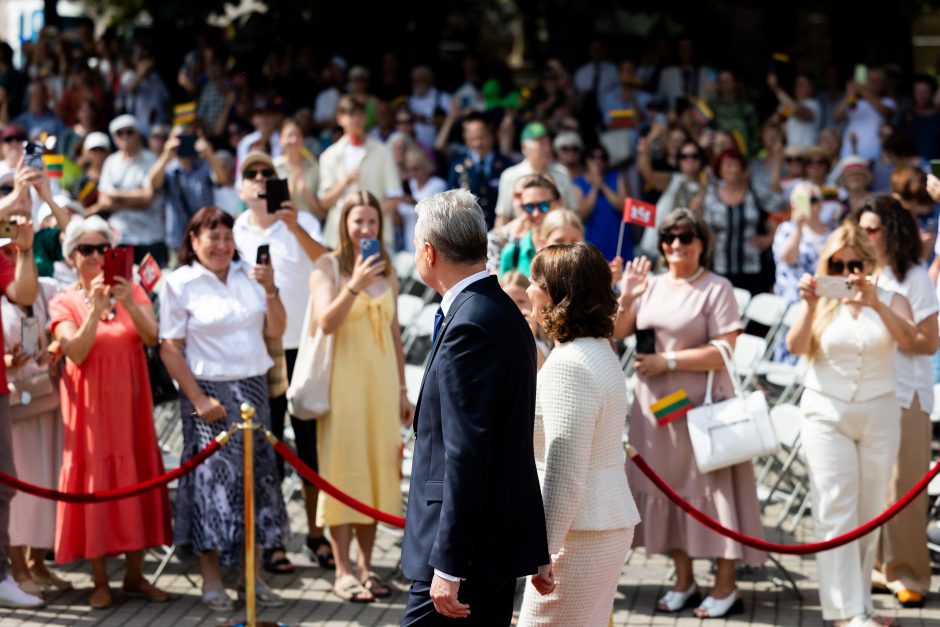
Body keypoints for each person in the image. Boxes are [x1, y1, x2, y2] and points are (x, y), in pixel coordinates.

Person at [401, 189, 548, 626]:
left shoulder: (473, 323)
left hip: (464, 552)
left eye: (414, 243)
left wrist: (448, 566)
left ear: (429, 252)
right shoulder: (495, 308)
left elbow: (468, 450)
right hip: (486, 546)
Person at [616, 208, 764, 619]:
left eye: (685, 237)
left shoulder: (717, 287)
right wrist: (626, 294)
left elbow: (726, 348)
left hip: (700, 407)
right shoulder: (651, 284)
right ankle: (683, 579)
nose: (676, 245)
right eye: (669, 237)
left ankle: (726, 585)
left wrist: (671, 362)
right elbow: (617, 331)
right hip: (654, 409)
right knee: (668, 490)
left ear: (702, 243)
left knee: (713, 495)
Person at [159, 206, 290, 611]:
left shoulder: (250, 274)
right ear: (193, 241)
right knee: (212, 487)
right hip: (208, 395)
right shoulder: (179, 282)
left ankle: (251, 578)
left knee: (255, 484)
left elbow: (277, 331)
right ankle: (212, 579)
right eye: (211, 237)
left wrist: (270, 289)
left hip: (254, 389)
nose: (220, 245)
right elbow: (169, 347)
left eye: (226, 237)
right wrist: (198, 398)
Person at [786, 223, 916, 627]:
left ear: (869, 262)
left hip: (879, 412)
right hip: (827, 412)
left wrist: (876, 303)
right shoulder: (820, 299)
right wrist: (809, 305)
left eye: (854, 263)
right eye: (837, 264)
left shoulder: (892, 298)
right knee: (836, 509)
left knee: (870, 510)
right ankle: (843, 611)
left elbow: (912, 341)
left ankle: (863, 603)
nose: (847, 273)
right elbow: (795, 348)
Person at [50, 216, 171, 609]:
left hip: (132, 410)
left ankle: (135, 577)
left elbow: (152, 336)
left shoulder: (131, 289)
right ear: (72, 257)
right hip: (89, 415)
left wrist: (127, 302)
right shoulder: (63, 300)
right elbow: (76, 351)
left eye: (103, 248)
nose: (96, 256)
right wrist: (93, 310)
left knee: (135, 480)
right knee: (95, 487)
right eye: (86, 249)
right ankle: (100, 580)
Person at [517, 242, 639, 626]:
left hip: (580, 531)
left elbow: (566, 469)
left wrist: (545, 550)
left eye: (536, 281)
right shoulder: (598, 349)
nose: (528, 289)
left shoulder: (569, 364)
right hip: (597, 524)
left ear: (557, 295)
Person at [308, 190, 411, 603]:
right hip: (342, 388)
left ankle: (367, 566)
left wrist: (404, 390)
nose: (366, 229)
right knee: (342, 472)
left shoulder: (389, 271)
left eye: (372, 222)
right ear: (344, 225)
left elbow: (395, 335)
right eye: (358, 222)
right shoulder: (327, 266)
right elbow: (325, 323)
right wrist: (353, 285)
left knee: (376, 473)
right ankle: (342, 568)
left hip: (382, 387)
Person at [232, 152, 327, 574]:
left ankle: (317, 533)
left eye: (266, 174)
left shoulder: (302, 222)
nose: (258, 179)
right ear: (240, 188)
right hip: (261, 348)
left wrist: (291, 223)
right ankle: (273, 540)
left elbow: (329, 261)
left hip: (304, 346)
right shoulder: (234, 229)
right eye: (250, 174)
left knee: (310, 446)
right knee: (267, 447)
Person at [855, 198, 938, 609]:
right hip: (867, 389)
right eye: (861, 228)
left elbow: (927, 342)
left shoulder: (915, 277)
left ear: (892, 230)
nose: (865, 236)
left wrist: (884, 314)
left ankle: (909, 574)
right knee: (872, 488)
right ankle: (878, 568)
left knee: (903, 488)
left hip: (907, 393)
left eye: (872, 228)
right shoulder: (860, 272)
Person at [3, 245, 67, 596]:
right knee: (21, 488)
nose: (11, 258)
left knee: (48, 483)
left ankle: (38, 562)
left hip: (48, 396)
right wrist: (8, 363)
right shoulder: (2, 297)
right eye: (5, 252)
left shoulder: (45, 287)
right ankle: (17, 567)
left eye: (16, 250)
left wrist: (53, 348)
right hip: (15, 404)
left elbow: (58, 326)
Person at [0, 165, 43, 609]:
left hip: (6, 384)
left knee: (3, 485)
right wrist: (15, 194)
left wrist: (26, 251)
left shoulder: (4, 251)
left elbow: (23, 293)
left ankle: (2, 574)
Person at [317, 95, 403, 249]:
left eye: (359, 114)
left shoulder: (383, 151)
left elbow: (395, 196)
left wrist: (367, 221)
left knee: (376, 273)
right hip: (339, 236)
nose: (356, 119)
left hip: (374, 236)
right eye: (350, 114)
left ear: (364, 118)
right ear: (340, 118)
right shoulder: (328, 156)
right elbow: (324, 202)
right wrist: (344, 182)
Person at [702, 149, 779, 294]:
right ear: (719, 169)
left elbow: (782, 209)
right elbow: (708, 231)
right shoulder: (711, 196)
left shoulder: (755, 191)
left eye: (737, 165)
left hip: (754, 266)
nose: (734, 169)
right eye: (729, 165)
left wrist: (771, 237)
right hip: (721, 265)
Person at [148, 126, 228, 262]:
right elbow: (153, 183)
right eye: (179, 138)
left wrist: (209, 153)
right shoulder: (169, 168)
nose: (184, 143)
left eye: (188, 139)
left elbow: (222, 179)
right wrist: (166, 155)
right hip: (177, 239)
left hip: (205, 236)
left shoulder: (205, 166)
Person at [772, 182, 832, 361]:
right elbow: (788, 258)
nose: (808, 205)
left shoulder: (833, 234)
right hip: (791, 303)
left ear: (820, 204)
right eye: (801, 200)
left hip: (822, 304)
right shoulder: (786, 230)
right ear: (793, 204)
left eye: (812, 200)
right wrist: (798, 227)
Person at [97, 114, 166, 266]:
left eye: (129, 132)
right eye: (120, 133)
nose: (125, 137)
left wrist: (117, 195)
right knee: (119, 284)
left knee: (152, 287)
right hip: (120, 236)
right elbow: (104, 202)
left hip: (150, 236)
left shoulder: (152, 160)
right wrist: (137, 197)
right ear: (114, 138)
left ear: (138, 134)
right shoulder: (111, 162)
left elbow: (148, 199)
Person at [494, 122, 577, 227]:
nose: (547, 148)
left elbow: (573, 213)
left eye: (548, 142)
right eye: (541, 143)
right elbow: (503, 217)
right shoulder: (511, 176)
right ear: (524, 148)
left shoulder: (562, 173)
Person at [635, 137, 706, 258]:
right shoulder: (673, 179)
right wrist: (644, 154)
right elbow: (649, 175)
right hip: (656, 247)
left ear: (701, 159)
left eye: (694, 156)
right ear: (679, 161)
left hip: (687, 251)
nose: (690, 160)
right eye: (684, 156)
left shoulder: (708, 186)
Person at [444, 113, 510, 230]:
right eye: (473, 139)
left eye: (481, 137)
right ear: (466, 139)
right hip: (469, 231)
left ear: (491, 135)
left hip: (499, 229)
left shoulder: (505, 165)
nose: (478, 143)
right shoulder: (458, 166)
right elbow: (450, 201)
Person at [498, 174, 564, 277]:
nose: (536, 213)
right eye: (529, 207)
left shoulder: (572, 246)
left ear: (559, 202)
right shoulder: (511, 253)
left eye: (543, 205)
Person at [574, 144, 629, 261]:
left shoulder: (616, 177)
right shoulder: (577, 183)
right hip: (593, 239)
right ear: (585, 160)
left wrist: (602, 185)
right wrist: (595, 186)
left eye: (602, 157)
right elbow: (583, 213)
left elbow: (624, 207)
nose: (597, 161)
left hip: (617, 237)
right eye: (593, 157)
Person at [498, 270, 549, 370]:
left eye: (521, 301)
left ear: (532, 300)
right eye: (509, 301)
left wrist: (530, 337)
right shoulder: (496, 335)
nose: (515, 307)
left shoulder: (548, 332)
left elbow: (547, 371)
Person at [399, 148, 447, 252]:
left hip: (431, 245)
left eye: (416, 168)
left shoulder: (438, 185)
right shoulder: (407, 185)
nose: (413, 173)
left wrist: (411, 202)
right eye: (409, 169)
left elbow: (433, 212)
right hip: (409, 245)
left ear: (426, 166)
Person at [274, 117, 322, 219]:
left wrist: (306, 194)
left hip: (310, 228)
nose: (294, 140)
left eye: (298, 135)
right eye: (289, 135)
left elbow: (323, 212)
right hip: (282, 228)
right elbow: (274, 209)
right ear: (281, 139)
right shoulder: (274, 168)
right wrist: (290, 189)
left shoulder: (314, 167)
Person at [768, 71, 821, 149]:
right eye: (797, 84)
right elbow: (774, 123)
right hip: (790, 154)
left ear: (811, 88)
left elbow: (797, 111)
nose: (798, 87)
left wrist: (776, 88)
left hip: (808, 152)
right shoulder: (787, 105)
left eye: (803, 84)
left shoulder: (813, 104)